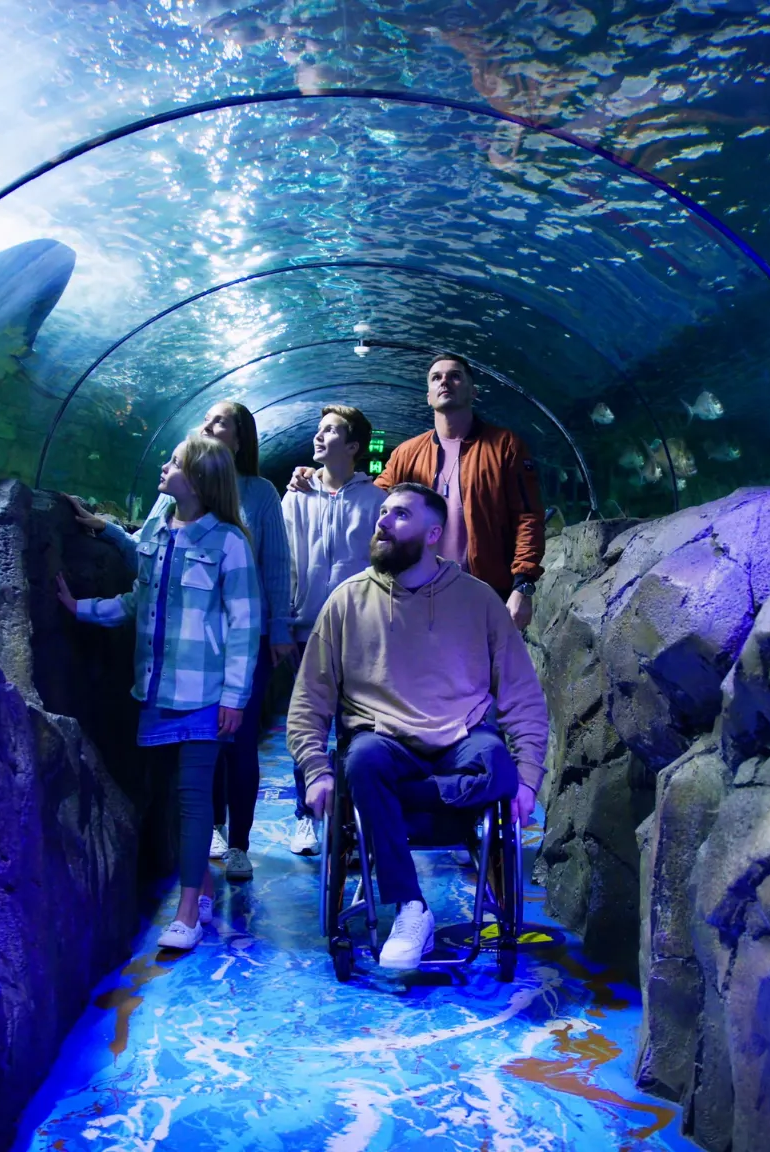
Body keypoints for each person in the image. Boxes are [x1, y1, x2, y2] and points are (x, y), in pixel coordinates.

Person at [286, 482, 549, 970]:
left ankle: (396, 798)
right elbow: (309, 699)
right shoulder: (346, 601)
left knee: (500, 767)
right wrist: (316, 768)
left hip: (461, 741)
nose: (383, 521)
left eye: (399, 515)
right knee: (360, 762)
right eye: (383, 512)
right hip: (382, 740)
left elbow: (522, 695)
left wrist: (529, 776)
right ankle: (411, 907)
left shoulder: (479, 601)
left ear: (433, 534)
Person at [72, 401, 292, 883]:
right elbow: (148, 556)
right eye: (207, 421)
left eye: (222, 424)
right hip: (184, 655)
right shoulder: (174, 496)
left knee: (238, 743)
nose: (211, 428)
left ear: (241, 438)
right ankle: (205, 839)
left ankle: (238, 843)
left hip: (239, 639)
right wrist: (106, 529)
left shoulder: (257, 496)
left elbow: (273, 564)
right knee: (197, 757)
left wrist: (279, 630)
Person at [56, 433, 260, 951]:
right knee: (175, 796)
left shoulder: (229, 542)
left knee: (193, 800)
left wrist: (235, 697)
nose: (164, 469)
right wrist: (79, 607)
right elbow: (135, 601)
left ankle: (188, 910)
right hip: (156, 688)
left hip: (205, 692)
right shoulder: (157, 526)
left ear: (199, 479)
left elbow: (244, 624)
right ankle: (204, 888)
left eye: (174, 463)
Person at [292, 354, 545, 629]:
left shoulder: (505, 447)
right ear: (428, 396)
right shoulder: (408, 453)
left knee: (483, 671)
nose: (445, 381)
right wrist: (320, 476)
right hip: (420, 595)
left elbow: (527, 517)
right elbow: (367, 496)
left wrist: (523, 584)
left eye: (455, 375)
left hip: (485, 592)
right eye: (436, 377)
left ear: (473, 392)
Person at [277, 404, 387, 856]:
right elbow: (281, 564)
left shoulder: (375, 499)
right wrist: (281, 623)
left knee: (355, 727)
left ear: (354, 446)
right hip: (306, 627)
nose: (319, 437)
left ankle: (348, 820)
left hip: (361, 631)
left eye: (330, 431)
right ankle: (308, 815)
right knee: (308, 724)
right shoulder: (296, 495)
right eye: (318, 431)